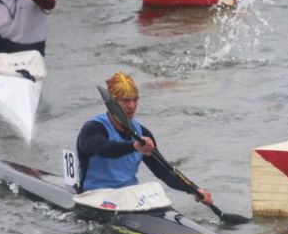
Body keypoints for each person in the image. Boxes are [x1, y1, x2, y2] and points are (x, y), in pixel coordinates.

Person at [76, 71, 213, 205]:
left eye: (135, 99)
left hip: (128, 197)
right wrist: (133, 146)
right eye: (126, 100)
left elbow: (164, 171)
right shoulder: (93, 129)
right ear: (113, 104)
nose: (132, 106)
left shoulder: (142, 133)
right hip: (94, 197)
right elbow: (103, 148)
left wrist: (194, 190)